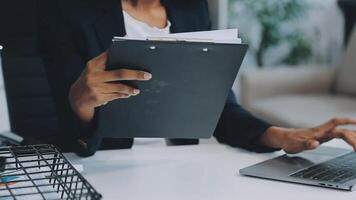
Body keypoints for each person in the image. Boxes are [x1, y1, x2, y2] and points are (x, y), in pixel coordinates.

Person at [38, 0, 356, 157]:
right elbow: (63, 133)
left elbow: (219, 109)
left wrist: (282, 137)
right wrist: (80, 103)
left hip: (182, 164)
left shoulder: (190, 8)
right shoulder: (68, 13)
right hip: (106, 167)